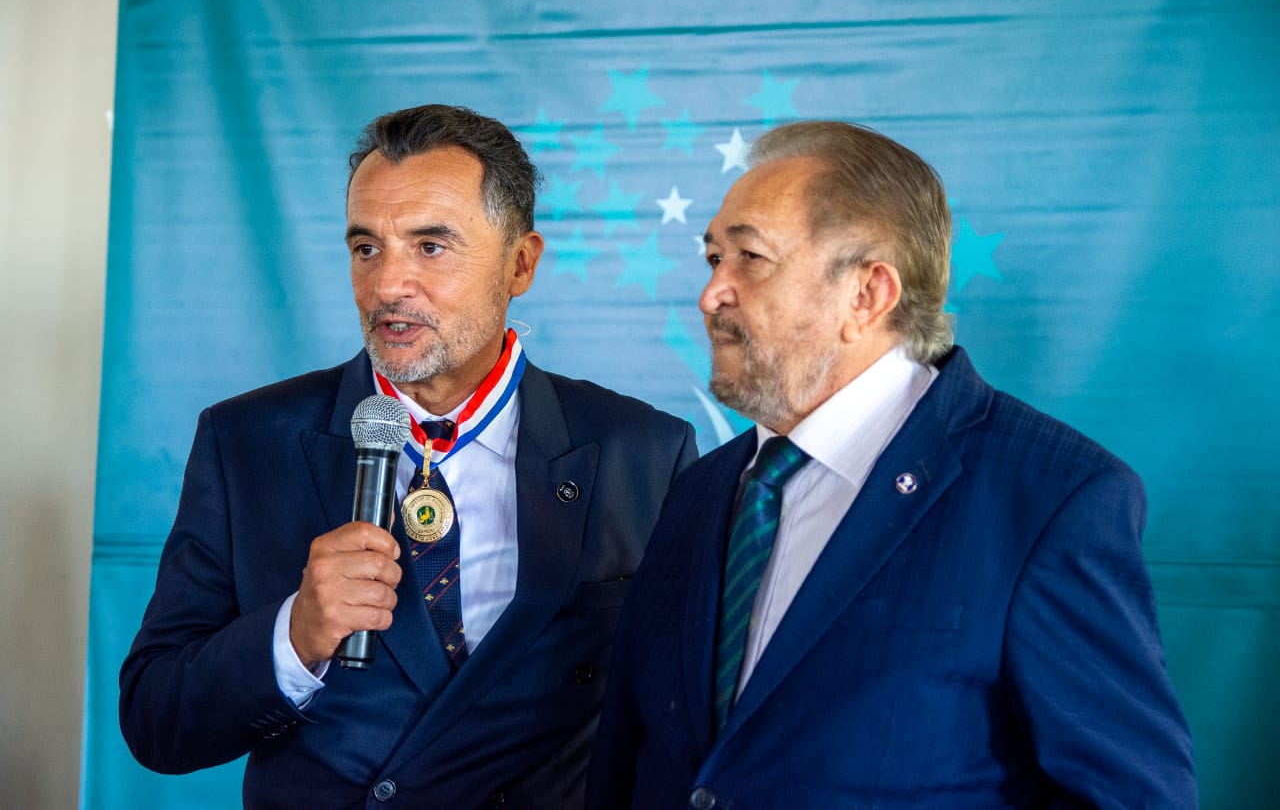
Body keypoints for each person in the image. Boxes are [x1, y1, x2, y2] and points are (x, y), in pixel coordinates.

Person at [587, 120, 1196, 808]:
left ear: (868, 294)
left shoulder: (1052, 501)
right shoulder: (699, 490)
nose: (711, 294)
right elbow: (629, 762)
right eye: (712, 258)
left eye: (750, 258)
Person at [119, 104, 697, 808]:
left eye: (430, 246)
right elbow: (155, 720)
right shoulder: (245, 442)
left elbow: (684, 721)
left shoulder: (646, 453)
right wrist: (294, 636)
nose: (388, 285)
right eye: (367, 248)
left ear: (520, 263)